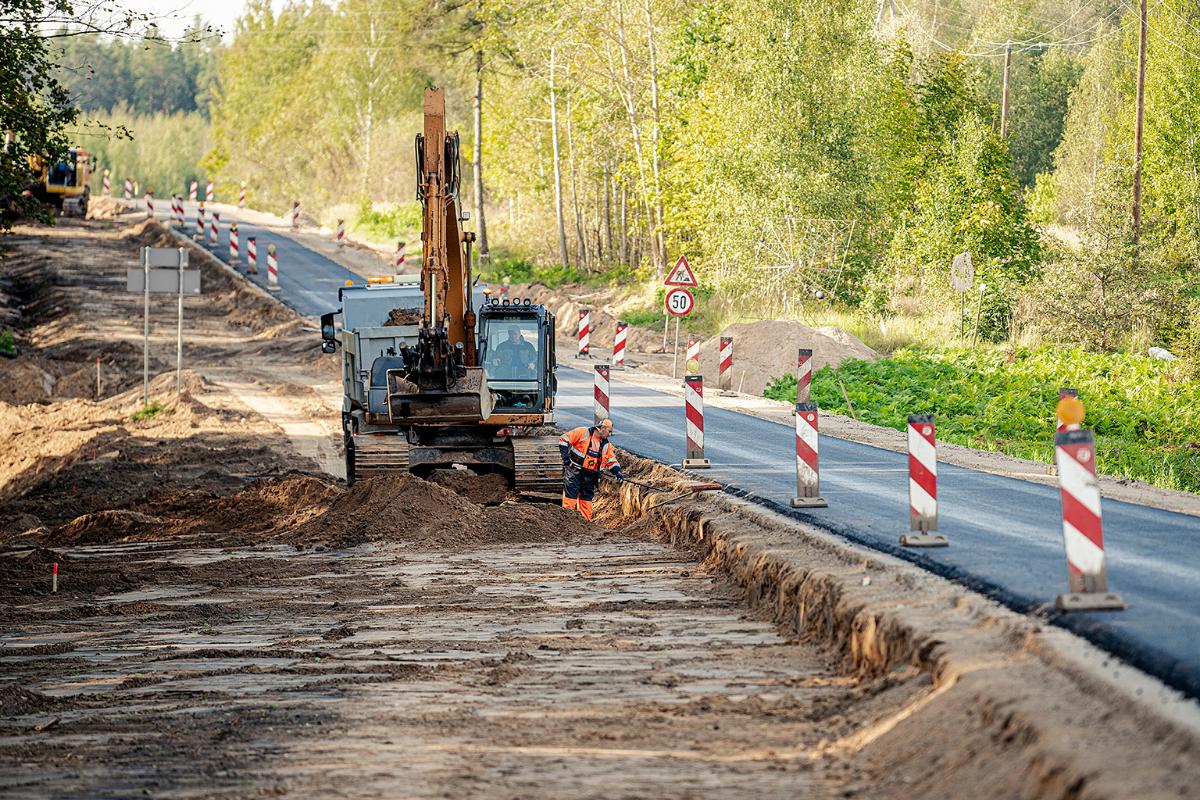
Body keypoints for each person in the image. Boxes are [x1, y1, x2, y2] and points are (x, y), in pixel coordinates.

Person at [558, 418, 624, 521]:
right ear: (603, 428)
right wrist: (566, 459)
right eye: (609, 431)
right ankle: (567, 521)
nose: (610, 435)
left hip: (590, 476)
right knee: (570, 498)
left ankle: (585, 523)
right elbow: (563, 439)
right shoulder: (583, 432)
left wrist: (617, 472)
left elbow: (611, 460)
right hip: (574, 471)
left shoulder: (606, 445)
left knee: (586, 500)